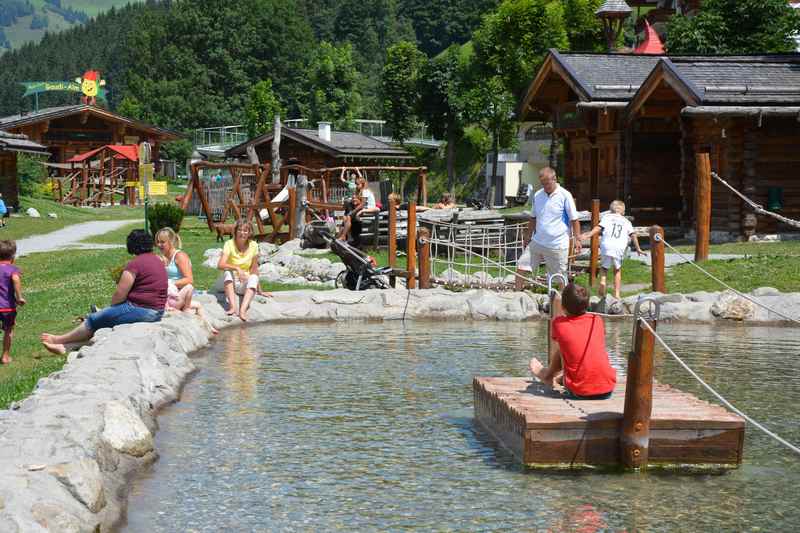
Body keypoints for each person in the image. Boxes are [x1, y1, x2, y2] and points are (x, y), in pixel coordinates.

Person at [41, 230, 166, 355]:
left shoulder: (135, 264)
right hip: (158, 312)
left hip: (142, 310)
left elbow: (119, 294)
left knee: (94, 319)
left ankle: (58, 340)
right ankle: (66, 347)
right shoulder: (157, 260)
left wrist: (111, 310)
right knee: (106, 326)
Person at [529, 283, 616, 400]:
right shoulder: (597, 320)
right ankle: (556, 377)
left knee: (563, 349)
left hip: (580, 392)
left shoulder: (559, 324)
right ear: (588, 304)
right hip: (607, 389)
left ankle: (546, 375)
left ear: (563, 307)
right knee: (577, 348)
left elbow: (563, 349)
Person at [155, 227, 218, 334]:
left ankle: (208, 328)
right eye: (158, 242)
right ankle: (207, 327)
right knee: (198, 305)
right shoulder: (163, 258)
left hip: (178, 295)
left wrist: (171, 283)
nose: (159, 245)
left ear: (170, 242)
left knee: (190, 289)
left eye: (162, 242)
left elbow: (189, 279)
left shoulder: (180, 256)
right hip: (169, 296)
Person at [523, 167, 581, 279]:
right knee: (522, 267)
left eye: (547, 183)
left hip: (558, 244)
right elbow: (533, 217)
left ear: (554, 179)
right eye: (542, 184)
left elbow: (574, 219)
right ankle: (517, 293)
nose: (545, 187)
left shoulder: (565, 195)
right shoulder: (537, 195)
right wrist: (528, 236)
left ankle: (564, 296)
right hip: (538, 241)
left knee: (559, 277)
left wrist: (577, 239)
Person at [580, 200, 644, 300]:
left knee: (604, 268)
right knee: (617, 270)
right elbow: (633, 235)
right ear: (623, 212)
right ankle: (617, 294)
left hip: (607, 245)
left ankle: (603, 281)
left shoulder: (607, 217)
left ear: (610, 210)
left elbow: (598, 228)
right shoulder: (626, 221)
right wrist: (638, 248)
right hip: (619, 247)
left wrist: (588, 234)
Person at [217, 218, 261, 321]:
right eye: (240, 230)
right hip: (227, 282)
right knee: (228, 272)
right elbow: (220, 265)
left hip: (242, 282)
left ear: (249, 232)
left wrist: (260, 290)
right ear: (235, 231)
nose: (242, 233)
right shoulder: (229, 244)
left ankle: (242, 310)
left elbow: (254, 269)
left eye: (245, 230)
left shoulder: (254, 245)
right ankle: (232, 307)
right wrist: (237, 268)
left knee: (253, 277)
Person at [0, 240, 24, 364]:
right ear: (13, 256)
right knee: (8, 330)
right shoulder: (13, 269)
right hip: (7, 307)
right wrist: (19, 297)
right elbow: (15, 279)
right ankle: (5, 356)